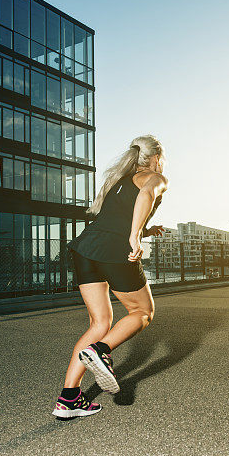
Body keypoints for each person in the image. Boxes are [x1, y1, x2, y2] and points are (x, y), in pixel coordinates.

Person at [52, 135, 168, 418]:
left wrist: (145, 231)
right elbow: (146, 195)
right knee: (142, 311)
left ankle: (69, 399)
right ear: (155, 157)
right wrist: (134, 238)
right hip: (114, 249)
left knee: (99, 322)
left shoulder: (118, 179)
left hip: (86, 248)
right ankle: (102, 351)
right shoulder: (154, 177)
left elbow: (115, 216)